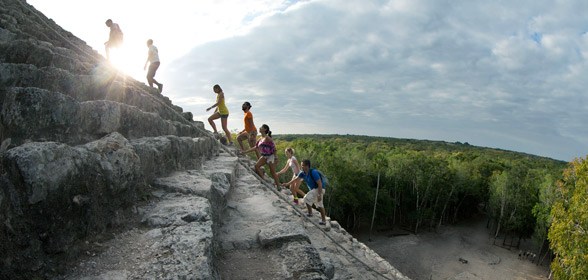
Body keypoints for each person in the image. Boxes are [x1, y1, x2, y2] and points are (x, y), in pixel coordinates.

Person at [281, 159, 327, 225]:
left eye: (303, 165)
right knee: (311, 200)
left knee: (315, 202)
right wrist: (287, 184)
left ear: (307, 166)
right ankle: (311, 214)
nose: (302, 167)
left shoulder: (313, 172)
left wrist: (319, 194)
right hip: (314, 190)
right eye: (301, 165)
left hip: (320, 189)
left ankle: (322, 220)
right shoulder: (302, 173)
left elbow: (320, 184)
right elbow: (296, 179)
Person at [240, 124, 280, 189]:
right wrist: (245, 152)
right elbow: (255, 147)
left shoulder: (268, 138)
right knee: (257, 166)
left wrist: (276, 158)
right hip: (264, 156)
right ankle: (263, 180)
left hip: (270, 156)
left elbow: (274, 148)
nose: (259, 128)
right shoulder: (260, 138)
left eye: (261, 127)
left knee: (272, 172)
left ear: (265, 129)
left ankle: (278, 186)